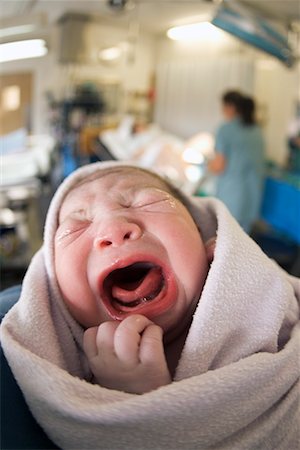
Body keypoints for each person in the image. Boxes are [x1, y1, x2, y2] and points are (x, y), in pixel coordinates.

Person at [1, 161, 299, 450]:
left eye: (144, 202)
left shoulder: (274, 315)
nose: (114, 229)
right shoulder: (48, 372)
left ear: (204, 237)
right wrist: (131, 407)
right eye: (75, 227)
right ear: (53, 289)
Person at [208, 90, 265, 233]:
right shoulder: (257, 130)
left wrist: (206, 165)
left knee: (226, 240)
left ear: (231, 107)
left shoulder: (226, 130)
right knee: (244, 243)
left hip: (231, 197)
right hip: (253, 197)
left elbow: (219, 166)